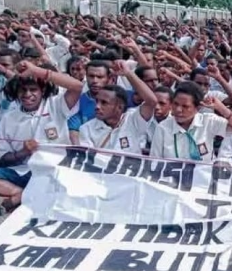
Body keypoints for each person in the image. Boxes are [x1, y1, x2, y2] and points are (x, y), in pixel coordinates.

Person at [0, 61, 83, 210]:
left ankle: (27, 196)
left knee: (65, 182)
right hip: (23, 172)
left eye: (33, 90)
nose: (27, 95)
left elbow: (77, 86)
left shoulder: (56, 105)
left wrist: (37, 70)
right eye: (22, 90)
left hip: (55, 169)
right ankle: (21, 193)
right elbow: (3, 158)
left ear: (42, 90)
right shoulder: (9, 118)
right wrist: (23, 152)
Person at [150, 81, 232, 161]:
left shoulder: (208, 121)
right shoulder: (163, 127)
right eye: (176, 104)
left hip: (203, 179)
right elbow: (154, 160)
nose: (178, 110)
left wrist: (221, 108)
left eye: (185, 106)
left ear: (197, 107)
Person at [78, 61, 157, 154]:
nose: (97, 106)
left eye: (104, 103)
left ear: (119, 107)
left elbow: (152, 101)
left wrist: (128, 73)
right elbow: (88, 159)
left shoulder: (132, 120)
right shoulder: (86, 129)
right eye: (97, 101)